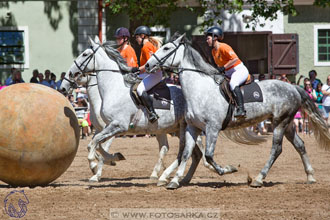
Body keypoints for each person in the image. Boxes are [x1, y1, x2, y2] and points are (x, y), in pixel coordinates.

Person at [206, 26, 248, 118]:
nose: (207, 40)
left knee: (233, 83)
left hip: (238, 69)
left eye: (208, 38)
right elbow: (219, 66)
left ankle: (241, 109)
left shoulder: (224, 47)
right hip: (228, 72)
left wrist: (223, 68)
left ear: (215, 37)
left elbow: (235, 59)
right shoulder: (213, 51)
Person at [132, 25, 163, 123]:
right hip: (149, 74)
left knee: (140, 90)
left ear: (142, 36)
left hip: (154, 74)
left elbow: (150, 65)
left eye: (137, 37)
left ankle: (152, 113)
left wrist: (137, 69)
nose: (136, 40)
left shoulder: (147, 47)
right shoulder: (146, 46)